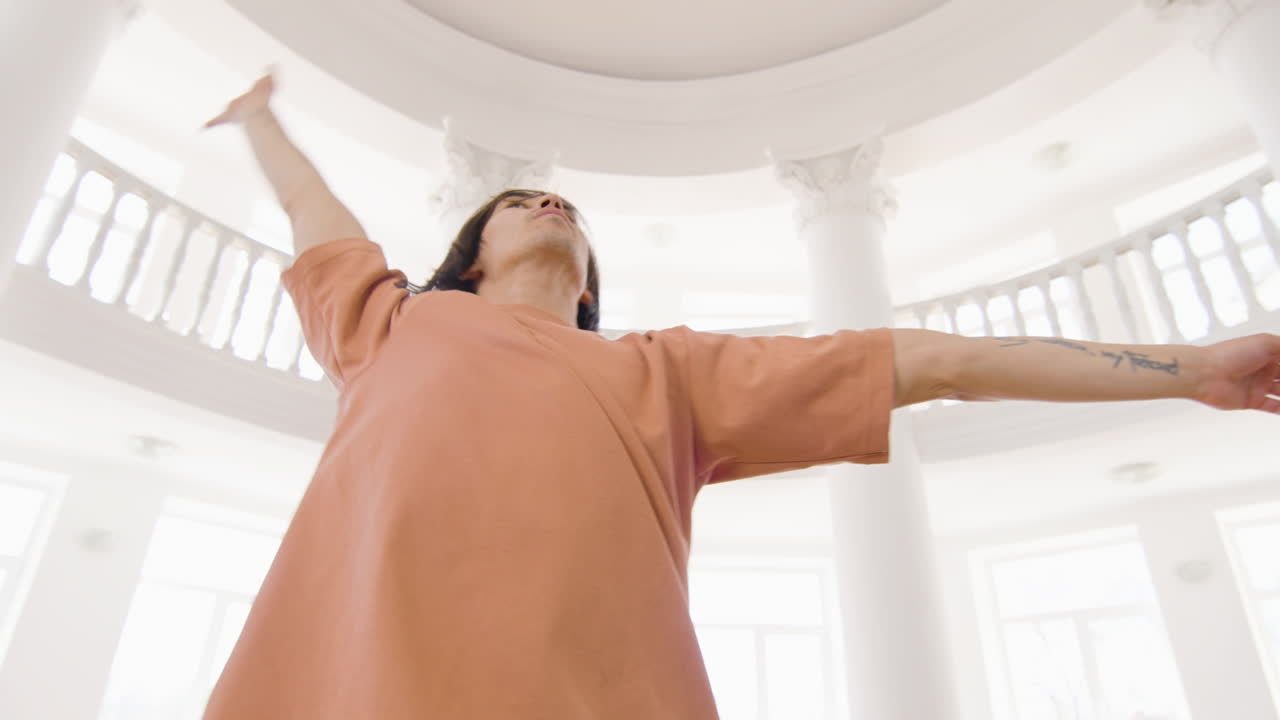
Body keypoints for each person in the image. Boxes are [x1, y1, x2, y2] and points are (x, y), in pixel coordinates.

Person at [200, 74, 1280, 719]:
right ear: (466, 251)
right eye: (520, 199)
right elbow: (314, 208)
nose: (546, 204)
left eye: (564, 204)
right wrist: (257, 120)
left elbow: (935, 363)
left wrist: (1188, 372)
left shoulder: (665, 373)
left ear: (592, 285)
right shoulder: (391, 323)